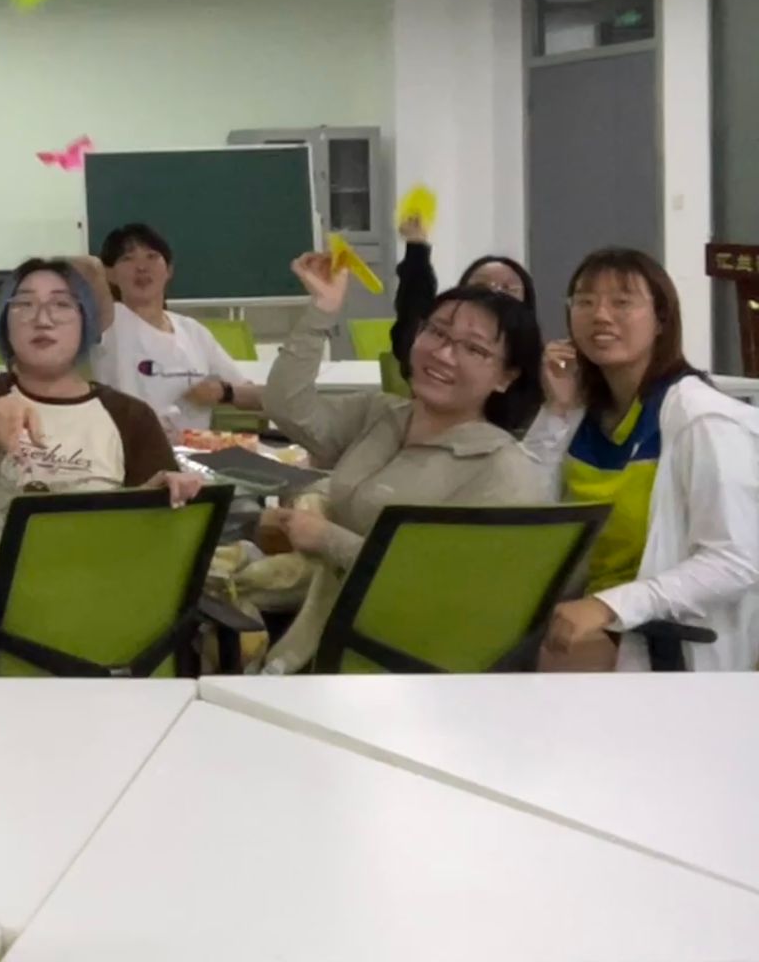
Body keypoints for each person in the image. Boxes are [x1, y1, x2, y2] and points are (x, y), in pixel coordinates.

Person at [259, 251, 549, 671]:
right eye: (437, 332)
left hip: (402, 666)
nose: (444, 354)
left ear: (506, 377)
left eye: (473, 349)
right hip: (318, 641)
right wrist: (322, 309)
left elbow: (450, 591)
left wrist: (328, 540)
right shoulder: (383, 415)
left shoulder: (501, 469)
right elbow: (286, 406)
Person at [530, 248, 759, 672]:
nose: (600, 315)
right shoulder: (580, 412)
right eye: (584, 301)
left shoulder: (702, 419)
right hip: (581, 614)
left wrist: (609, 606)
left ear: (661, 320)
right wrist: (556, 411)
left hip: (663, 634)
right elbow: (525, 513)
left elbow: (735, 560)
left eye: (622, 302)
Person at [0, 258, 206, 585]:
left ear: (85, 321)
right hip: (1, 598)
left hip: (101, 592)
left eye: (61, 304)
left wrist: (156, 497)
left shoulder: (130, 415)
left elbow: (152, 542)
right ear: (4, 323)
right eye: (25, 304)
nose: (42, 319)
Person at [91, 223, 264, 435]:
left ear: (169, 270)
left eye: (152, 256)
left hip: (194, 448)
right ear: (110, 274)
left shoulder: (192, 331)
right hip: (129, 448)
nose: (142, 267)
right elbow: (80, 269)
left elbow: (257, 397)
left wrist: (224, 392)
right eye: (128, 259)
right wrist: (96, 270)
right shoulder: (106, 321)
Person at [390, 208, 537, 388]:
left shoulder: (538, 366)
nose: (493, 295)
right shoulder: (426, 346)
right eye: (481, 286)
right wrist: (417, 247)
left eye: (507, 288)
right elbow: (413, 311)